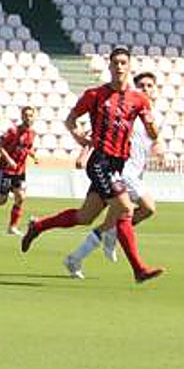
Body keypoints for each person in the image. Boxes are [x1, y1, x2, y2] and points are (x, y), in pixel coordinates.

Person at [19, 46, 163, 283]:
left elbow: (153, 134)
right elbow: (70, 120)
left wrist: (150, 126)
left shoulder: (139, 100)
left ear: (129, 66)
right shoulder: (95, 95)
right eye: (115, 62)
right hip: (100, 162)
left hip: (117, 164)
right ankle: (138, 269)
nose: (119, 67)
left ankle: (38, 226)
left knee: (85, 216)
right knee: (125, 209)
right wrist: (80, 138)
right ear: (109, 66)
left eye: (123, 63)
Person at [63, 70, 163, 278]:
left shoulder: (149, 114)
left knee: (89, 217)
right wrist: (84, 152)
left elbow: (152, 137)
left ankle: (75, 258)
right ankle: (135, 265)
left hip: (128, 173)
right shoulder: (129, 108)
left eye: (149, 86)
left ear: (156, 90)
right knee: (145, 208)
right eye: (141, 85)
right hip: (120, 172)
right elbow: (99, 134)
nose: (145, 89)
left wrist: (158, 144)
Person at [0, 105, 38, 234]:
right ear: (22, 117)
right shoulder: (13, 131)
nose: (28, 118)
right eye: (26, 115)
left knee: (20, 197)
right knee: (3, 199)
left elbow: (27, 148)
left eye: (31, 115)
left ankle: (12, 227)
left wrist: (33, 155)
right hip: (6, 170)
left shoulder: (32, 133)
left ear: (34, 117)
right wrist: (9, 160)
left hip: (20, 171)